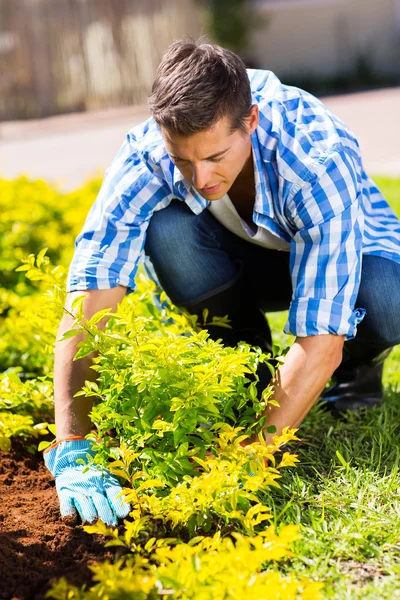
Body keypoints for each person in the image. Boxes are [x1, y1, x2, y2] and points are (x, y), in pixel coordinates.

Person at [43, 40, 400, 526]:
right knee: (166, 227)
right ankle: (243, 364)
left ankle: (360, 372)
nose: (199, 176)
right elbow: (92, 285)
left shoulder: (316, 154)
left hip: (351, 261)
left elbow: (322, 338)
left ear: (250, 120)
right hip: (241, 254)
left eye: (214, 156)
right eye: (183, 160)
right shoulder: (150, 151)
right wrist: (74, 446)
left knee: (386, 299)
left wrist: (242, 465)